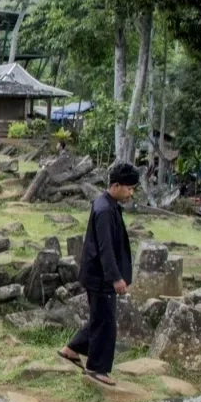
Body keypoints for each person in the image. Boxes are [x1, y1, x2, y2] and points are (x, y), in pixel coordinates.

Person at [58, 162, 139, 386]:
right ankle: (96, 367)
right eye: (129, 188)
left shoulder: (108, 205)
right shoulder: (104, 209)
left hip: (98, 274)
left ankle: (71, 349)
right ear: (116, 185)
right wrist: (116, 278)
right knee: (106, 323)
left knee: (100, 318)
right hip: (101, 276)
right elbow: (105, 248)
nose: (131, 193)